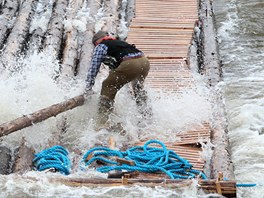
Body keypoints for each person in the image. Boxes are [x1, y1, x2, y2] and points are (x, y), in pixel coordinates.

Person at [85, 30, 152, 129]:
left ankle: (102, 124)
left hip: (131, 64)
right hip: (144, 62)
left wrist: (88, 88)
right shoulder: (120, 44)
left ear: (96, 42)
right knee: (138, 89)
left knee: (107, 85)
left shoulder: (101, 46)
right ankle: (147, 117)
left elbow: (94, 68)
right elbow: (116, 71)